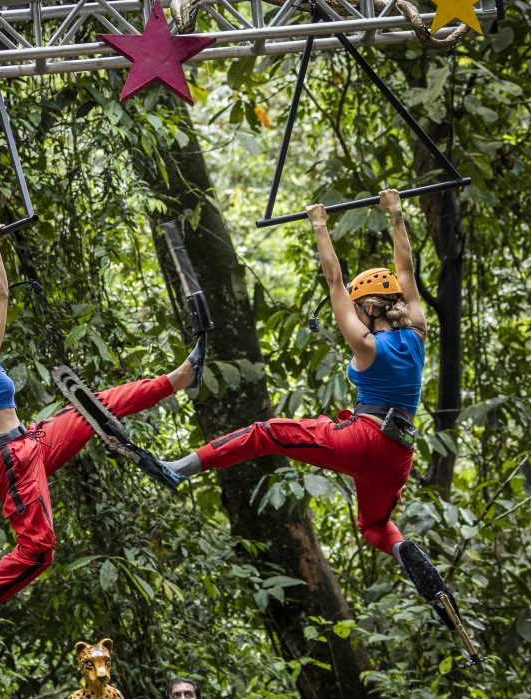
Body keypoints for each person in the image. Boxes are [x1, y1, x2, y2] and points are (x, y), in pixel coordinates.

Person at [161, 190, 461, 630]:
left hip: (363, 439)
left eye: (360, 308)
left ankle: (180, 468)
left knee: (264, 432)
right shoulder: (417, 331)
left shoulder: (365, 345)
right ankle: (400, 549)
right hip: (400, 454)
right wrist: (396, 215)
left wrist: (320, 225)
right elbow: (407, 271)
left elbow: (334, 282)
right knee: (375, 526)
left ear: (369, 309)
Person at [0, 225, 197, 657]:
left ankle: (176, 379)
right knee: (39, 550)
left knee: (94, 406)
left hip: (28, 442)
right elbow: (0, 301)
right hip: (9, 460)